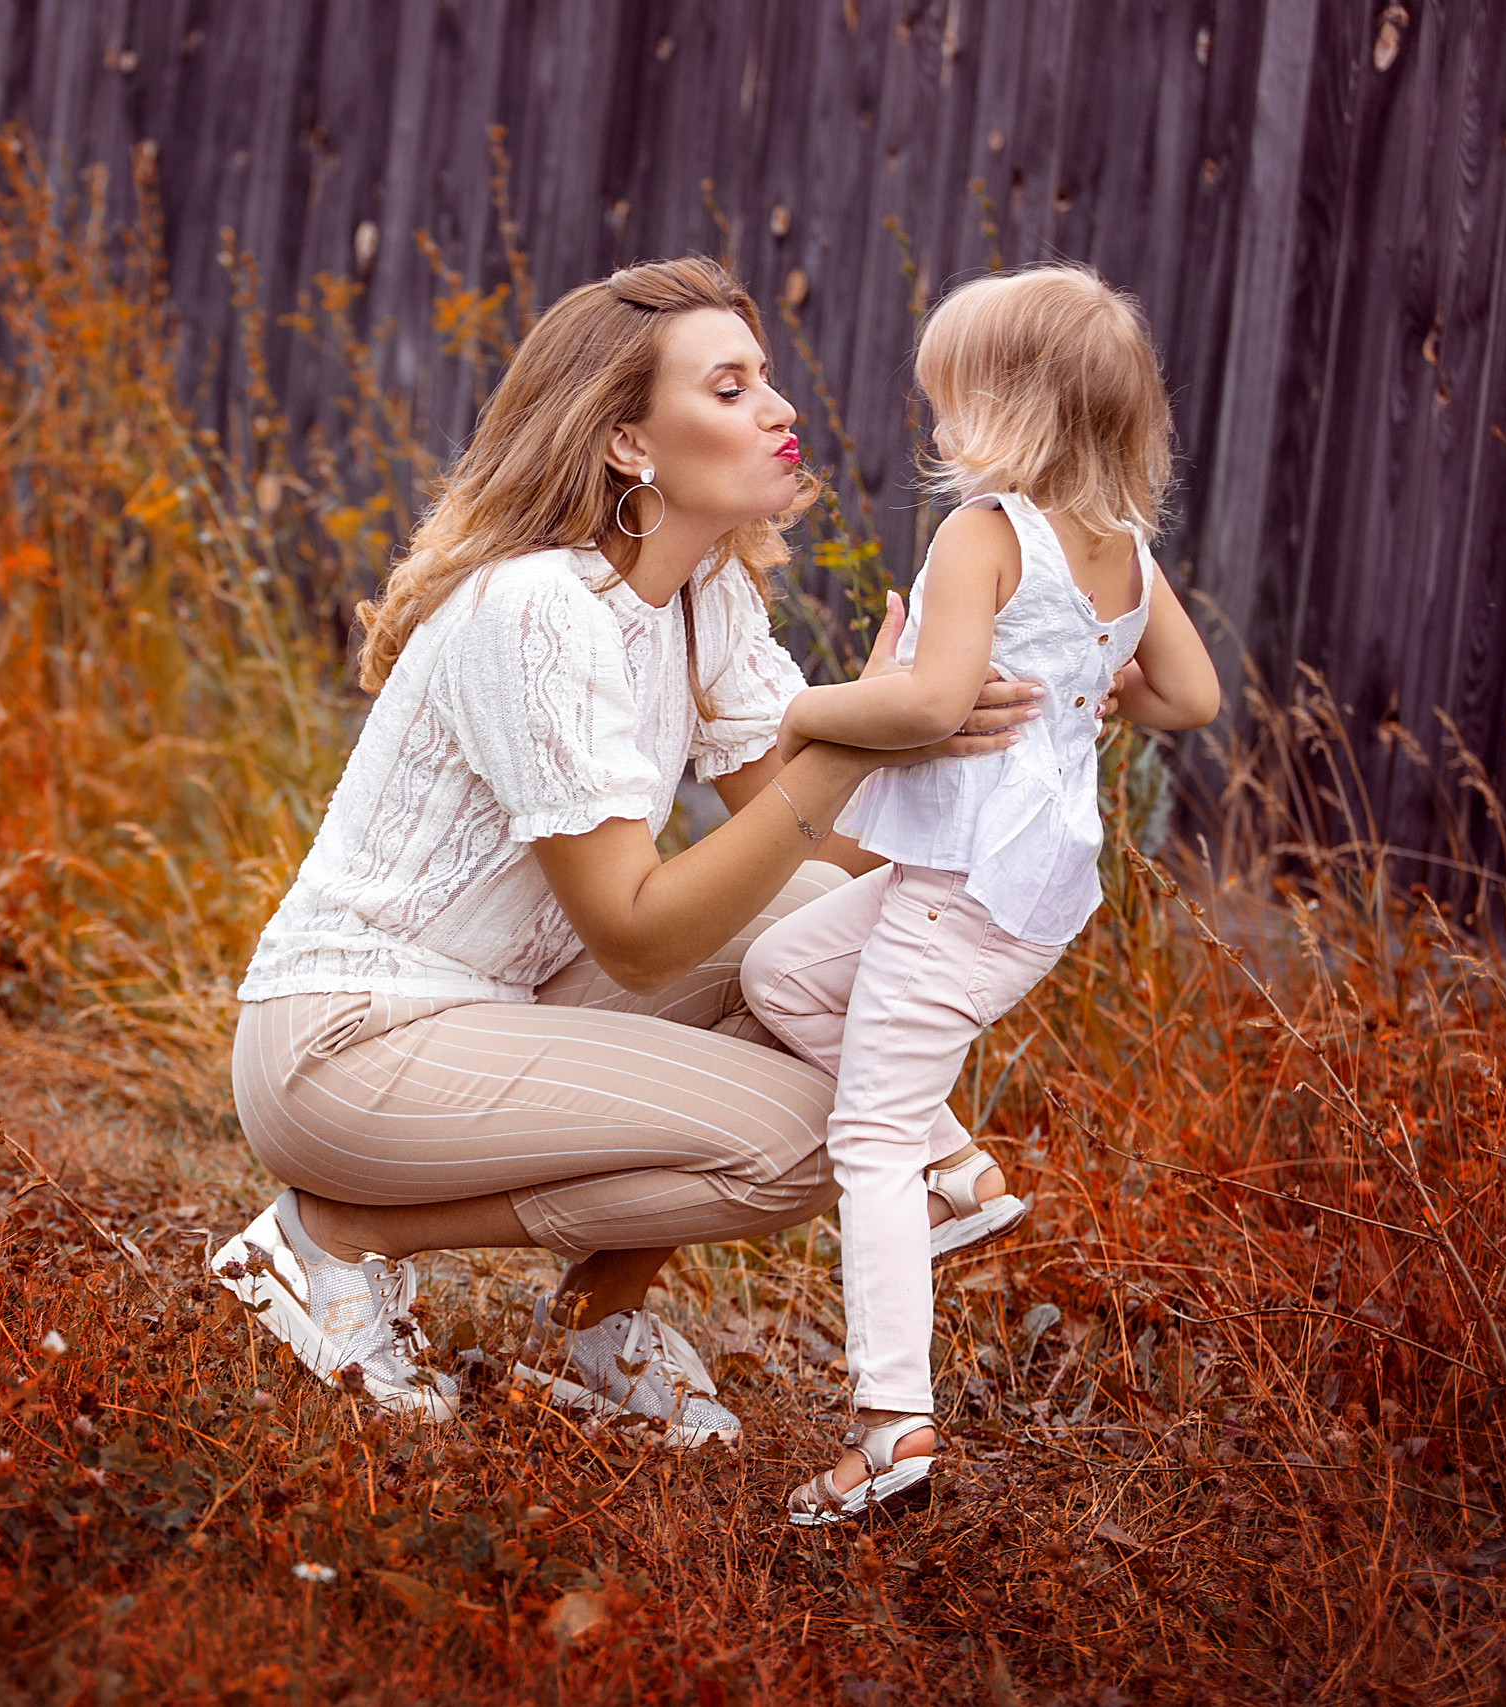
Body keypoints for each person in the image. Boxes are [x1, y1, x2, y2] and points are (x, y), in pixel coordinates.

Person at [207, 256, 1046, 1447]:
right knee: (810, 1139)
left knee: (809, 919)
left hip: (493, 1006)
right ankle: (334, 1239)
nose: (780, 409)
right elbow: (638, 932)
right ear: (627, 445)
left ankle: (598, 1321)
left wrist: (1018, 718)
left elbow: (849, 856)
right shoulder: (539, 610)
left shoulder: (703, 597)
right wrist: (854, 737)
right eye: (730, 387)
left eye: (767, 380)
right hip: (347, 1046)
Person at [738, 263, 1222, 1521]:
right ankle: (964, 1175)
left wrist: (797, 706)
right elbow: (1192, 701)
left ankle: (891, 1425)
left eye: (950, 401)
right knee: (780, 972)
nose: (937, 425)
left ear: (1009, 414)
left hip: (960, 894)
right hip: (1029, 888)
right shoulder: (1119, 550)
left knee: (866, 1143)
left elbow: (926, 707)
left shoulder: (985, 532)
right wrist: (1103, 695)